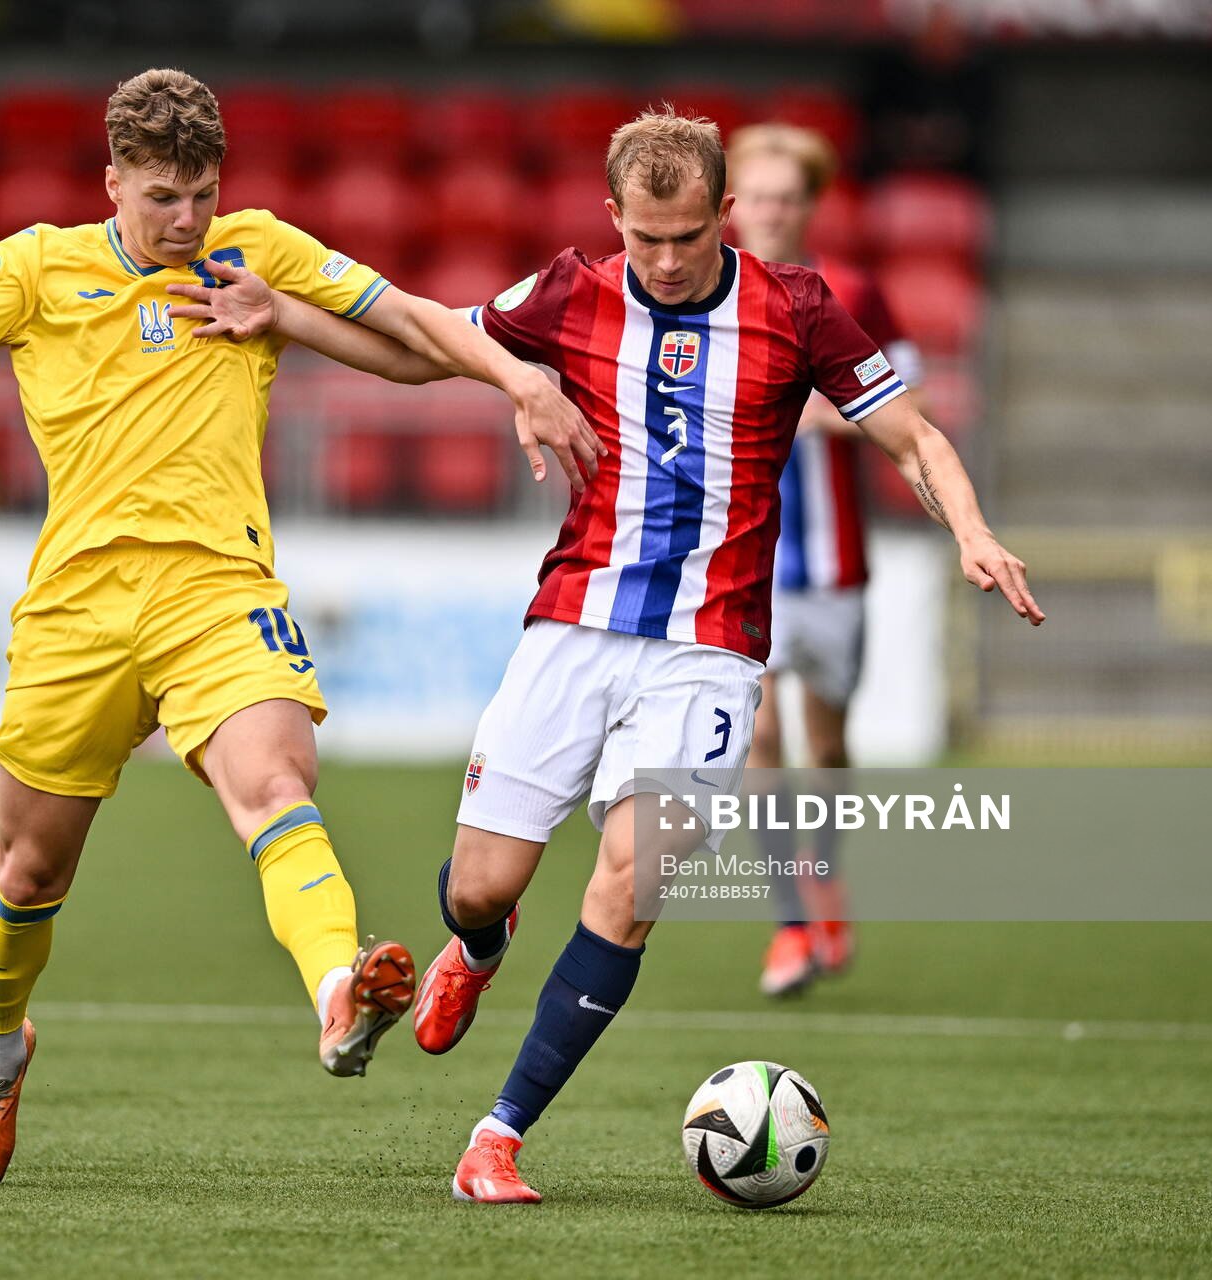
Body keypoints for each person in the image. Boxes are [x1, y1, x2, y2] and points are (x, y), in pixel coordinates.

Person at [0, 67, 600, 1186]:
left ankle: (340, 988)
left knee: (276, 782)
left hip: (217, 589)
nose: (187, 220)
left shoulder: (254, 250)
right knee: (27, 871)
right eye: (162, 198)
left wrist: (517, 382)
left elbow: (410, 321)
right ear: (114, 182)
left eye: (201, 193)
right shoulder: (38, 265)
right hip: (78, 611)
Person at [398, 108, 1039, 1204]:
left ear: (724, 215)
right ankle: (480, 939)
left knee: (631, 877)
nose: (664, 260)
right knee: (479, 883)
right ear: (613, 220)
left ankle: (497, 1133)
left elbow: (915, 434)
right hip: (574, 624)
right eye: (643, 238)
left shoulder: (796, 308)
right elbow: (418, 336)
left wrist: (970, 529)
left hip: (712, 649)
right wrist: (289, 315)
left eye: (687, 237)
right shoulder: (569, 288)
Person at [724, 122, 925, 997]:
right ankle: (792, 923)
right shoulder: (709, 291)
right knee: (760, 736)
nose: (770, 211)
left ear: (808, 205)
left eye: (785, 197)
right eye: (757, 196)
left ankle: (825, 884)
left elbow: (903, 409)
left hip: (835, 564)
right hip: (745, 564)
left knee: (828, 742)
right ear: (734, 205)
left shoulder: (855, 294)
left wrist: (819, 415)